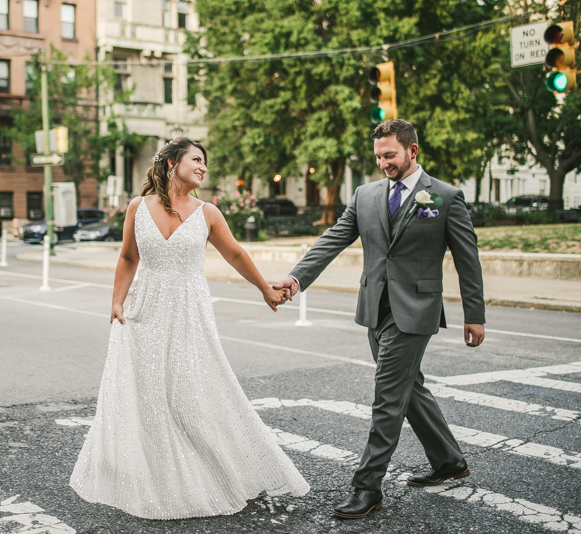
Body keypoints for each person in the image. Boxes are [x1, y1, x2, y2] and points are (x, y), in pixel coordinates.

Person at [70, 137, 309, 520]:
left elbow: (235, 252)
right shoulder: (138, 207)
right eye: (196, 160)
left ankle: (218, 472)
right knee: (149, 396)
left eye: (205, 162)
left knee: (188, 394)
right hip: (144, 312)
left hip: (188, 313)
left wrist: (265, 288)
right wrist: (116, 300)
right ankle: (157, 478)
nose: (203, 167)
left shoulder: (208, 213)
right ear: (171, 163)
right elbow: (128, 256)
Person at [274, 119, 485, 520]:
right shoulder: (366, 195)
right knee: (410, 389)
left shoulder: (445, 196)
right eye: (378, 156)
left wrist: (474, 314)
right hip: (375, 308)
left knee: (387, 399)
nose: (383, 163)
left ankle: (367, 487)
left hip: (416, 311)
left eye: (390, 155)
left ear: (412, 151)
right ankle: (449, 461)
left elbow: (467, 258)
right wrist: (297, 277)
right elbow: (335, 237)